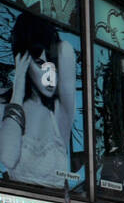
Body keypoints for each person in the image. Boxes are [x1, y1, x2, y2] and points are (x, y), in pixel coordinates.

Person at [0, 11, 78, 188]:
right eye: (40, 64)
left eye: (53, 65)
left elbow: (66, 50)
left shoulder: (60, 110)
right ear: (23, 61)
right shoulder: (5, 103)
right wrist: (18, 88)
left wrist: (48, 40)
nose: (49, 76)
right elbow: (7, 158)